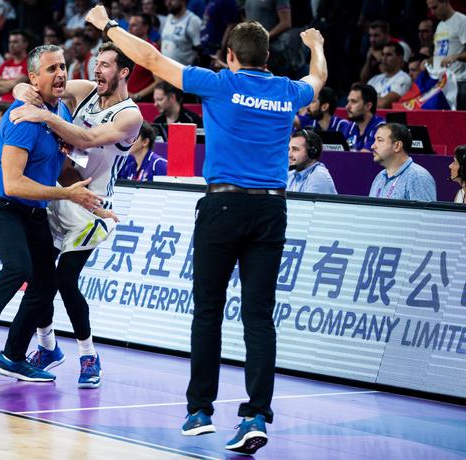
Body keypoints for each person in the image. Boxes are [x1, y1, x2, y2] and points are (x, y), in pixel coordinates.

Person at [85, 6, 326, 454]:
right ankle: (256, 414)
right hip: (272, 209)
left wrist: (107, 25)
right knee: (258, 317)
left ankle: (200, 411)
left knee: (208, 311)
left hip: (223, 206)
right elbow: (318, 80)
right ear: (267, 57)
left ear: (230, 55)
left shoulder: (220, 83)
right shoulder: (288, 91)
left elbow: (153, 60)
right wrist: (317, 46)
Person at [0, 44, 101, 382]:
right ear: (34, 78)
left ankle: (14, 356)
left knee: (45, 283)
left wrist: (87, 195)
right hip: (1, 205)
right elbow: (14, 183)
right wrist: (67, 195)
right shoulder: (22, 118)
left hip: (33, 211)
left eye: (63, 66)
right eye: (51, 69)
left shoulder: (59, 111)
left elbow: (59, 166)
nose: (61, 74)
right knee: (17, 267)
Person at [8, 41, 143, 388]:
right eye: (96, 63)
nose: (96, 70)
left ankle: (88, 356)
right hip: (59, 196)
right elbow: (32, 86)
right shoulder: (84, 91)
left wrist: (45, 115)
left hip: (91, 207)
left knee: (65, 280)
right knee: (39, 281)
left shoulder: (130, 116)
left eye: (106, 65)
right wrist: (24, 89)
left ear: (124, 72)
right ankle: (47, 346)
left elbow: (85, 139)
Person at [368, 123, 436, 201]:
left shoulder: (418, 177)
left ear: (397, 146)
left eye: (380, 140)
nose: (372, 146)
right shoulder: (379, 177)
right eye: (374, 140)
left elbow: (425, 213)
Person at [427, 0, 466, 110]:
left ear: (445, 2)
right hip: (442, 83)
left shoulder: (462, 21)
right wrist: (430, 61)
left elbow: (452, 55)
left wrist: (456, 57)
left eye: (435, 7)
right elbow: (442, 52)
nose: (432, 12)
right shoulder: (440, 25)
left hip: (459, 83)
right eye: (430, 9)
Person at [367, 42, 412, 109]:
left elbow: (382, 104)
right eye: (382, 54)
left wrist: (365, 101)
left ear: (399, 58)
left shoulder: (404, 78)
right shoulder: (375, 78)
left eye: (389, 55)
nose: (384, 58)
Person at [0, 30, 29, 102]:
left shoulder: (29, 63)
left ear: (25, 44)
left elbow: (16, 84)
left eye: (15, 42)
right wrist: (11, 85)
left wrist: (1, 83)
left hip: (19, 104)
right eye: (10, 42)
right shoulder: (5, 64)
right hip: (2, 105)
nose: (11, 45)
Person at [345, 83, 384, 152]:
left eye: (354, 102)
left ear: (368, 106)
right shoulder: (350, 127)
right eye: (348, 101)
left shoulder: (381, 128)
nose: (347, 107)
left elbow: (364, 157)